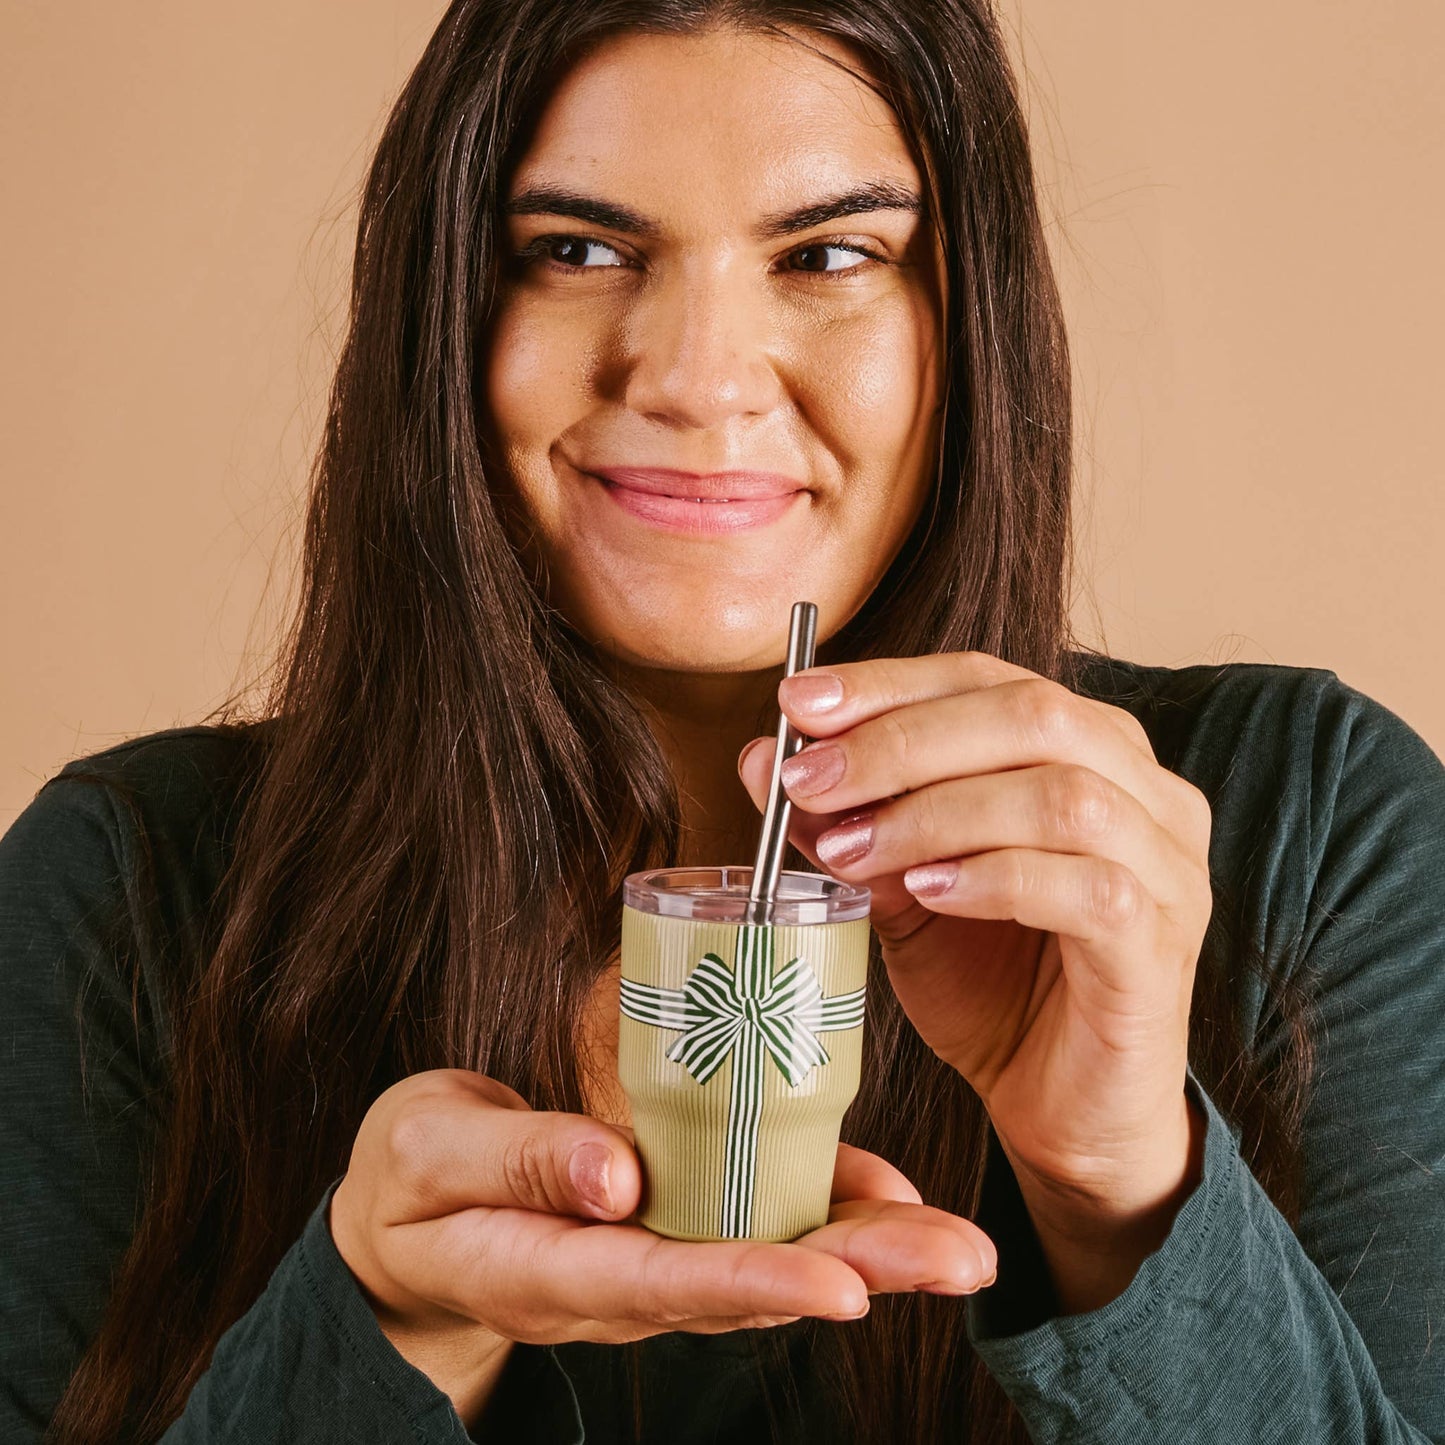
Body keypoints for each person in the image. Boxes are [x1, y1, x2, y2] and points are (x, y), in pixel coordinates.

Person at [2, 1, 1441, 1440]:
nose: (693, 378)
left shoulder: (1306, 830)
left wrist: (1123, 1188)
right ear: (443, 316)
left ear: (968, 325)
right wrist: (384, 1329)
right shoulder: (132, 894)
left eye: (825, 254)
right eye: (575, 250)